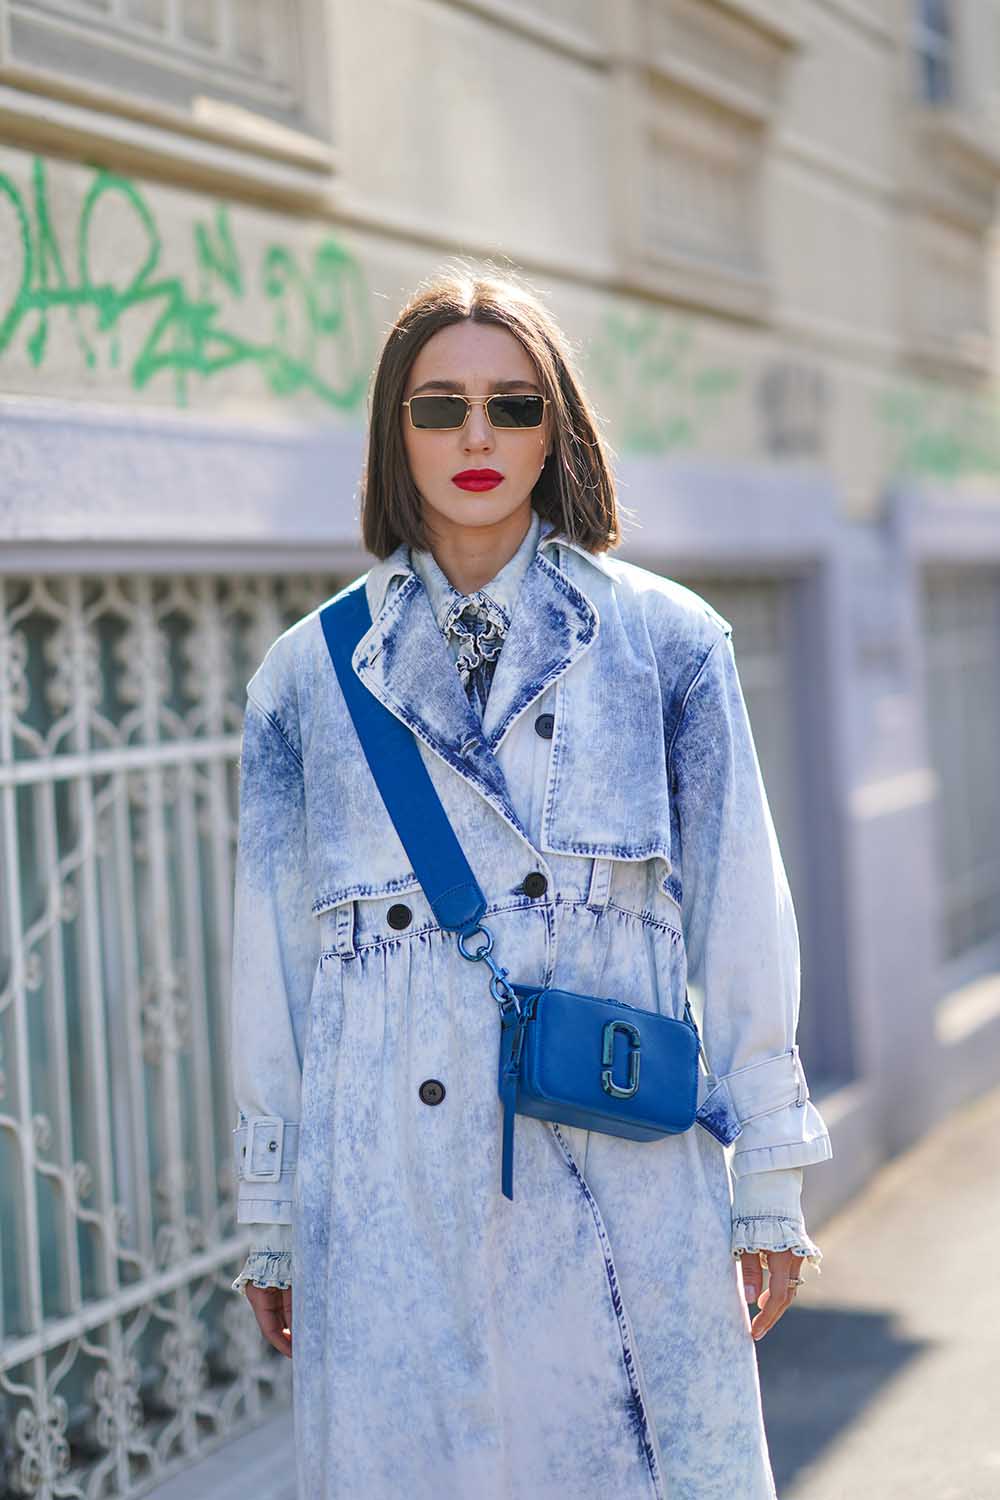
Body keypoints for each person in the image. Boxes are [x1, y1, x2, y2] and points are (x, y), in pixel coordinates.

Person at [228, 263, 833, 1499]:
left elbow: (741, 917)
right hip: (388, 1189)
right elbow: (267, 961)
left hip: (616, 1178)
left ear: (557, 426)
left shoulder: (666, 643)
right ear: (394, 431)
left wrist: (766, 1181)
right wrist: (270, 1205)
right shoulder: (306, 675)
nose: (475, 437)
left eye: (512, 405)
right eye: (438, 405)